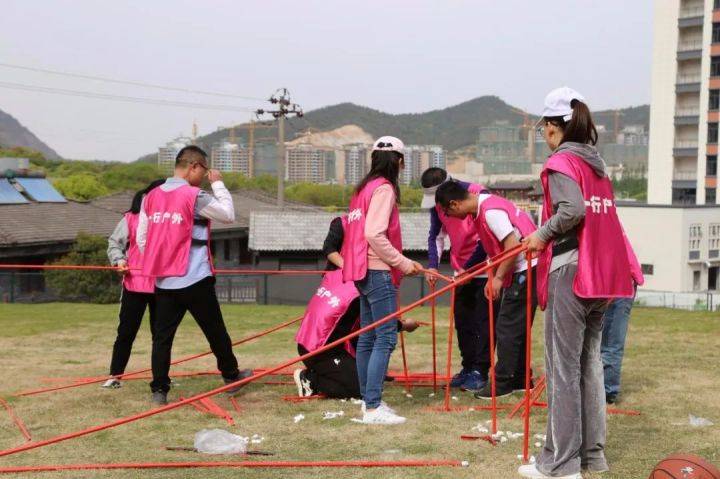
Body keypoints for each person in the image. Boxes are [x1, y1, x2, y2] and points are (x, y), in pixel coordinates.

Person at [520, 87, 643, 479]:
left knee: (561, 369)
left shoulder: (561, 163)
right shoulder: (598, 165)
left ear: (556, 127)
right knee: (590, 367)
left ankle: (562, 465)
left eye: (545, 128)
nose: (543, 135)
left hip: (572, 271)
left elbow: (571, 211)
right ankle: (591, 457)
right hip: (604, 277)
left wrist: (540, 235)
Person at [137, 145, 252, 405]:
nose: (203, 176)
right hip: (194, 277)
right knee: (215, 331)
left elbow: (143, 239)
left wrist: (161, 261)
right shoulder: (193, 195)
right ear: (194, 167)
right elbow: (228, 215)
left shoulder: (151, 197)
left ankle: (159, 390)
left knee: (162, 338)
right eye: (203, 171)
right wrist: (219, 185)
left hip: (164, 279)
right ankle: (231, 377)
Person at [341, 136, 422, 425]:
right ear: (399, 161)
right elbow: (374, 234)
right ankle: (373, 407)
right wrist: (402, 262)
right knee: (385, 337)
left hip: (362, 270)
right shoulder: (384, 189)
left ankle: (368, 401)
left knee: (368, 336)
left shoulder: (362, 189)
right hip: (377, 271)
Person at [293, 216, 418, 399]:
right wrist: (405, 326)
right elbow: (377, 323)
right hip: (319, 349)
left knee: (361, 354)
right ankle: (311, 379)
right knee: (361, 388)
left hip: (312, 342)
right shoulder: (361, 288)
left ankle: (364, 369)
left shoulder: (335, 278)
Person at [435, 181, 538, 399]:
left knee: (506, 328)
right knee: (516, 327)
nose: (449, 217)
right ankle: (521, 379)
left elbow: (512, 245)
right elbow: (493, 249)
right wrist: (470, 272)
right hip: (525, 268)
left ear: (454, 204)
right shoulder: (483, 210)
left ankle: (502, 383)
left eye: (447, 212)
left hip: (526, 268)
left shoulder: (490, 211)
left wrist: (498, 278)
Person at [421, 168, 496, 392]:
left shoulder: (477, 194)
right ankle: (468, 366)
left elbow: (486, 236)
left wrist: (470, 268)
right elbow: (436, 235)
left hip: (485, 267)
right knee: (463, 322)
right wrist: (433, 265)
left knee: (484, 323)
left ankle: (480, 371)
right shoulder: (437, 206)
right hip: (460, 270)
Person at [103, 179, 164, 389]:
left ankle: (161, 377)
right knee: (126, 332)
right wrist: (119, 260)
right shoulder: (130, 219)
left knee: (161, 336)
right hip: (134, 285)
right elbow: (114, 243)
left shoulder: (166, 220)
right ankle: (115, 375)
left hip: (162, 285)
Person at [602, 287, 638, 404]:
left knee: (611, 345)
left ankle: (607, 392)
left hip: (618, 289)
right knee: (602, 344)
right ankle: (600, 389)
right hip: (606, 287)